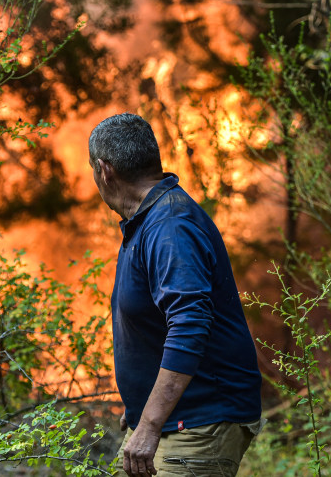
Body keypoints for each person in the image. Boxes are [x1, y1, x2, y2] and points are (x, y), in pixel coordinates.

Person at [88, 113, 263, 477]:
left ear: (104, 170)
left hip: (199, 422)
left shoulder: (170, 226)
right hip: (173, 418)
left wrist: (149, 423)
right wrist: (143, 404)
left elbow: (190, 325)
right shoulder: (149, 220)